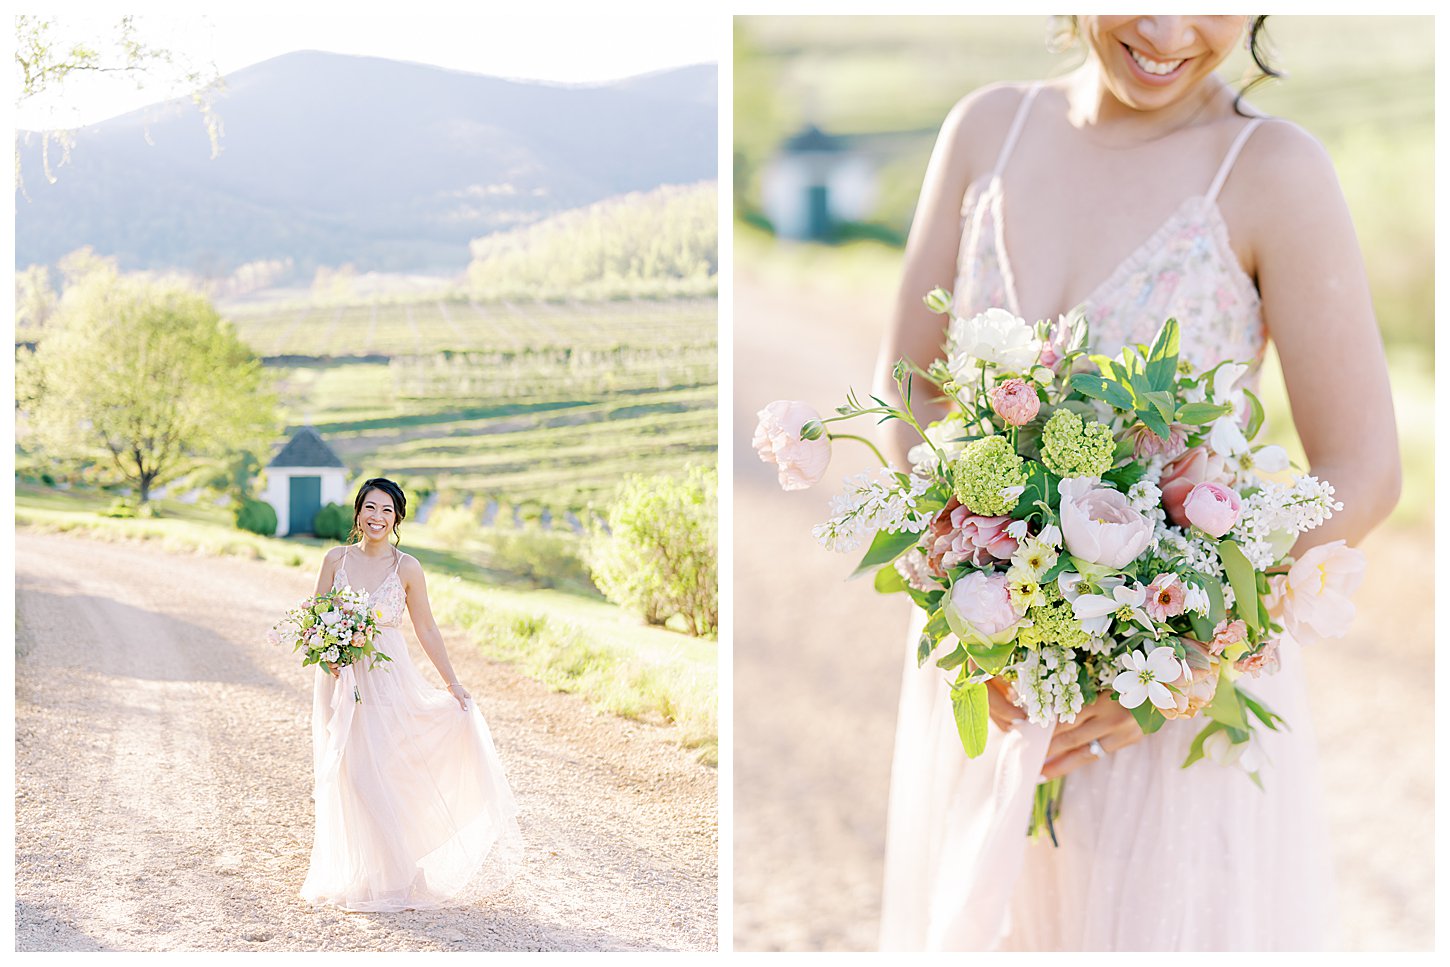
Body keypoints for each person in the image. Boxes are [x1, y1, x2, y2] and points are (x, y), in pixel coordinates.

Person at [873, 16, 1399, 950]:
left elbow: (1362, 470)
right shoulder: (986, 131)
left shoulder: (1273, 170)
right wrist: (967, 599)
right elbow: (907, 390)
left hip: (1169, 719)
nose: (1164, 28)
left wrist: (1184, 653)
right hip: (993, 679)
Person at [301, 477, 523, 911]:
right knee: (348, 773)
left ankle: (398, 870)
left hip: (386, 679)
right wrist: (324, 652)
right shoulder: (335, 559)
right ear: (358, 512)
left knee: (373, 774)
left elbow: (425, 627)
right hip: (341, 677)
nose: (377, 517)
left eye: (387, 510)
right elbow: (314, 617)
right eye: (370, 507)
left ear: (397, 518)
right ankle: (371, 869)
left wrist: (451, 682)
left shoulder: (407, 568)